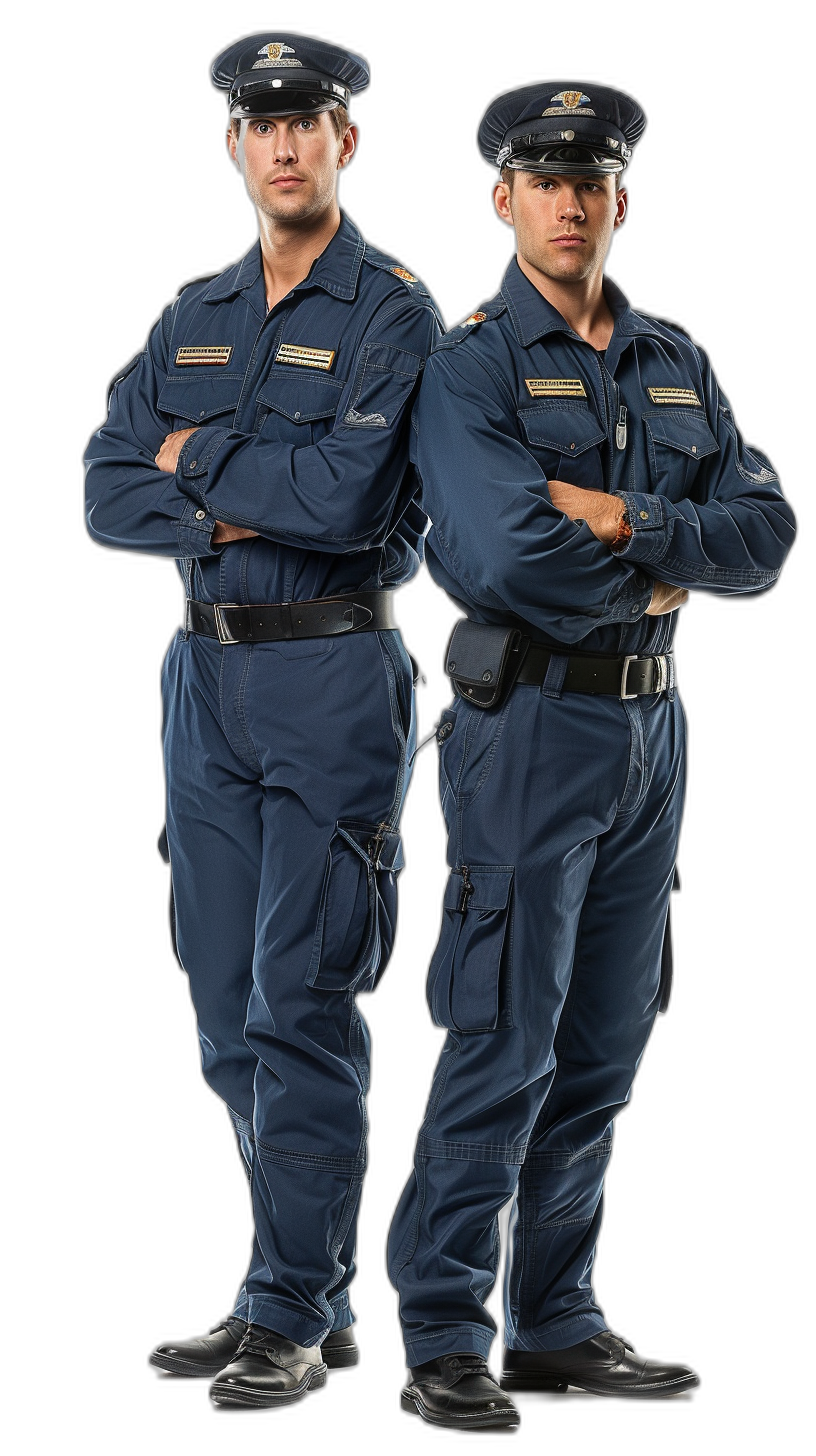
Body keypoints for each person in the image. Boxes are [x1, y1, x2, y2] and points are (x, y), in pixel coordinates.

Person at [386, 79, 796, 1434]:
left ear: (622, 198)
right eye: (544, 178)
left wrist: (624, 521)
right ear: (504, 198)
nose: (570, 202)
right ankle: (447, 1327)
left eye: (593, 180)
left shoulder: (672, 356)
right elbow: (503, 554)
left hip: (651, 733)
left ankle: (555, 1320)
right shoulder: (469, 365)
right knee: (502, 1030)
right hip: (531, 730)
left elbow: (769, 529)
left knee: (606, 1042)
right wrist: (676, 554)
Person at [84, 30, 442, 1415]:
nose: (283, 143)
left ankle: (288, 1312)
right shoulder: (196, 310)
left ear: (347, 141)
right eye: (259, 123)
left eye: (309, 121)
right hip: (203, 680)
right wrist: (236, 484)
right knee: (226, 1012)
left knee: (301, 996)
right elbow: (109, 482)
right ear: (234, 145)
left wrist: (197, 457)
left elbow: (352, 506)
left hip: (331, 675)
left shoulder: (397, 312)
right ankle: (308, 1293)